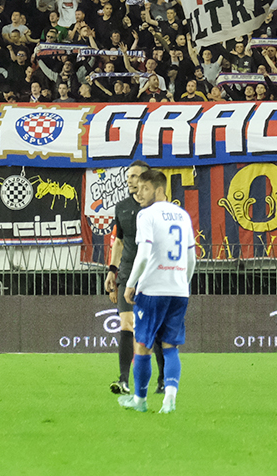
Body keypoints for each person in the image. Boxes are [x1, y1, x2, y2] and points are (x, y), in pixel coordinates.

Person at [118, 168, 196, 415]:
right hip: (178, 289)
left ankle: (139, 400)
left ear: (159, 189)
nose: (139, 193)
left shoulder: (147, 215)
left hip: (153, 289)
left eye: (145, 188)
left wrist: (131, 284)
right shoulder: (182, 215)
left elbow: (142, 254)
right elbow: (192, 256)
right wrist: (183, 282)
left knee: (143, 345)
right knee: (171, 346)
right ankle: (170, 399)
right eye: (138, 188)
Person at [105, 161, 161, 398]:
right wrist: (111, 270)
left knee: (153, 329)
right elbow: (119, 241)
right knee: (127, 325)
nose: (130, 180)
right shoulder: (122, 207)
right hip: (127, 273)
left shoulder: (158, 208)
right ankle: (123, 380)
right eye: (128, 176)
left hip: (152, 273)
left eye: (135, 176)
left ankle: (163, 379)